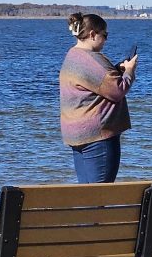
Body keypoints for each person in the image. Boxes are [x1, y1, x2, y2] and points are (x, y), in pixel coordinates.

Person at [59, 12, 138, 183]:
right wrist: (130, 71)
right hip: (98, 136)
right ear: (93, 34)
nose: (106, 39)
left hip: (77, 134)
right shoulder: (93, 60)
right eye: (105, 35)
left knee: (87, 193)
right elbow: (118, 90)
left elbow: (95, 82)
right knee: (100, 195)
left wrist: (117, 70)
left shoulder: (72, 55)